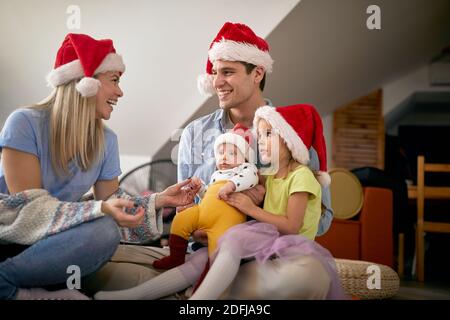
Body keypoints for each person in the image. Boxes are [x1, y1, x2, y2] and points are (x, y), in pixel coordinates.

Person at [0, 33, 198, 300]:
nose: (120, 92)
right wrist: (99, 208)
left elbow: (112, 204)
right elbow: (31, 212)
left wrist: (160, 201)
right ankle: (10, 285)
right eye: (114, 81)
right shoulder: (24, 123)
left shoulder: (107, 140)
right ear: (85, 83)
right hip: (11, 235)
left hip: (53, 243)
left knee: (104, 229)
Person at [94, 104, 346, 300]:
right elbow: (250, 185)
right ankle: (134, 296)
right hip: (255, 242)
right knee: (204, 258)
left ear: (291, 140)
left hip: (287, 248)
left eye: (268, 134)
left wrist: (249, 207)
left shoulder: (301, 176)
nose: (261, 141)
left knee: (234, 241)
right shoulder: (269, 176)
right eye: (260, 135)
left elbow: (291, 226)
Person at [153, 123, 258, 270]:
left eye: (232, 153)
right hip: (203, 212)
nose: (224, 157)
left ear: (245, 158)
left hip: (225, 220)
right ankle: (175, 257)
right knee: (181, 219)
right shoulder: (217, 174)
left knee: (218, 250)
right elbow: (209, 195)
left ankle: (210, 274)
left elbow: (250, 178)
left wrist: (231, 186)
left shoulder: (246, 169)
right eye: (221, 153)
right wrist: (200, 188)